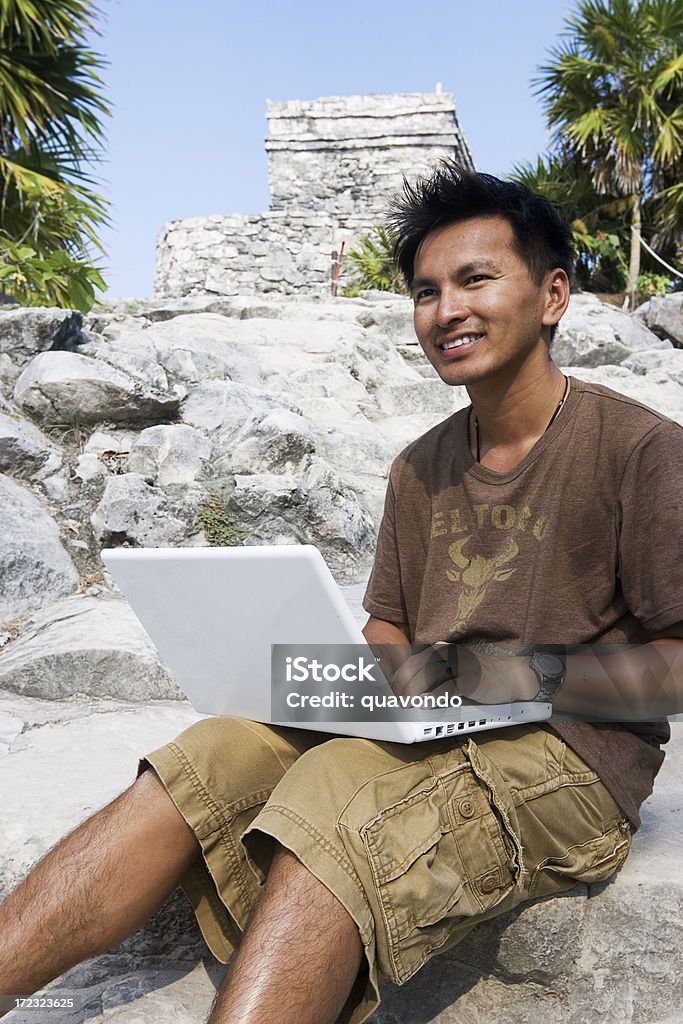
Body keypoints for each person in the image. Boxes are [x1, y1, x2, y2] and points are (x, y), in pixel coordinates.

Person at [1, 163, 683, 1024]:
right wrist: (351, 687)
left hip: (571, 758)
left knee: (339, 790)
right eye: (427, 291)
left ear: (552, 295)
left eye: (475, 279)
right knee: (207, 755)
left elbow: (675, 669)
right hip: (434, 725)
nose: (446, 310)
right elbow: (389, 623)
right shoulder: (419, 466)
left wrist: (510, 678)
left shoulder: (642, 450)